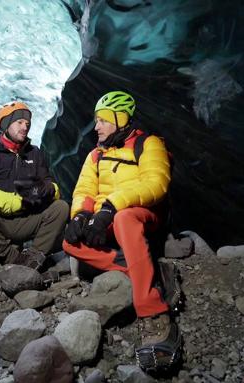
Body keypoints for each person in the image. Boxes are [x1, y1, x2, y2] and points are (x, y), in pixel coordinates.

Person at [62, 91, 182, 372]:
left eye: (103, 120)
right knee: (69, 242)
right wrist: (80, 216)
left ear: (121, 119)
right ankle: (146, 272)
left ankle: (153, 311)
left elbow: (156, 184)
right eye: (96, 121)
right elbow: (84, 190)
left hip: (141, 216)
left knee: (125, 218)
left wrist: (110, 208)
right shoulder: (96, 155)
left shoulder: (148, 144)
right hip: (106, 219)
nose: (97, 127)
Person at [0, 101, 69, 270]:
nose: (25, 127)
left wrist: (48, 190)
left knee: (61, 207)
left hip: (27, 220)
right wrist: (19, 202)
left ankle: (34, 256)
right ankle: (11, 257)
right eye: (19, 122)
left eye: (27, 123)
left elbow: (49, 182)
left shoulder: (34, 152)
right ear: (5, 124)